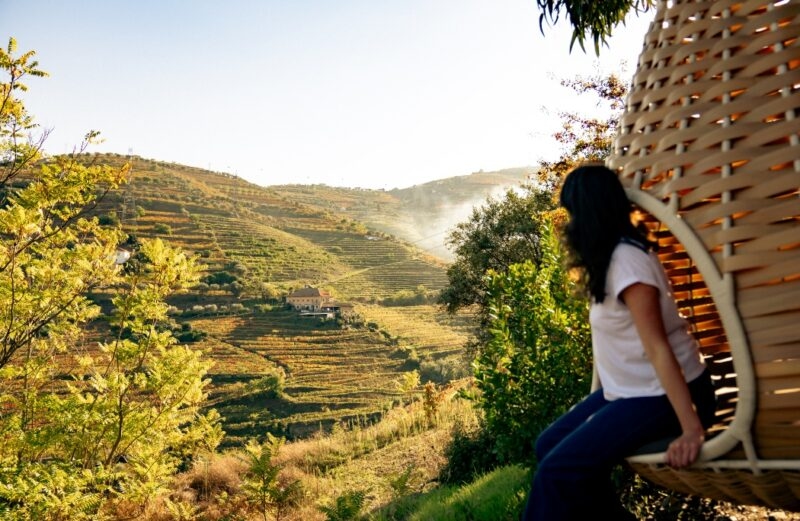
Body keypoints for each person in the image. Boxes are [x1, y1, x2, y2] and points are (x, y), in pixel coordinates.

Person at [521, 164, 717, 520]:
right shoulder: (609, 261)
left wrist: (691, 429)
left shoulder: (628, 262)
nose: (568, 224)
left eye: (572, 213)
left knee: (556, 474)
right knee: (548, 446)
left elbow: (658, 348)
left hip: (669, 395)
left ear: (590, 213)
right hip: (635, 392)